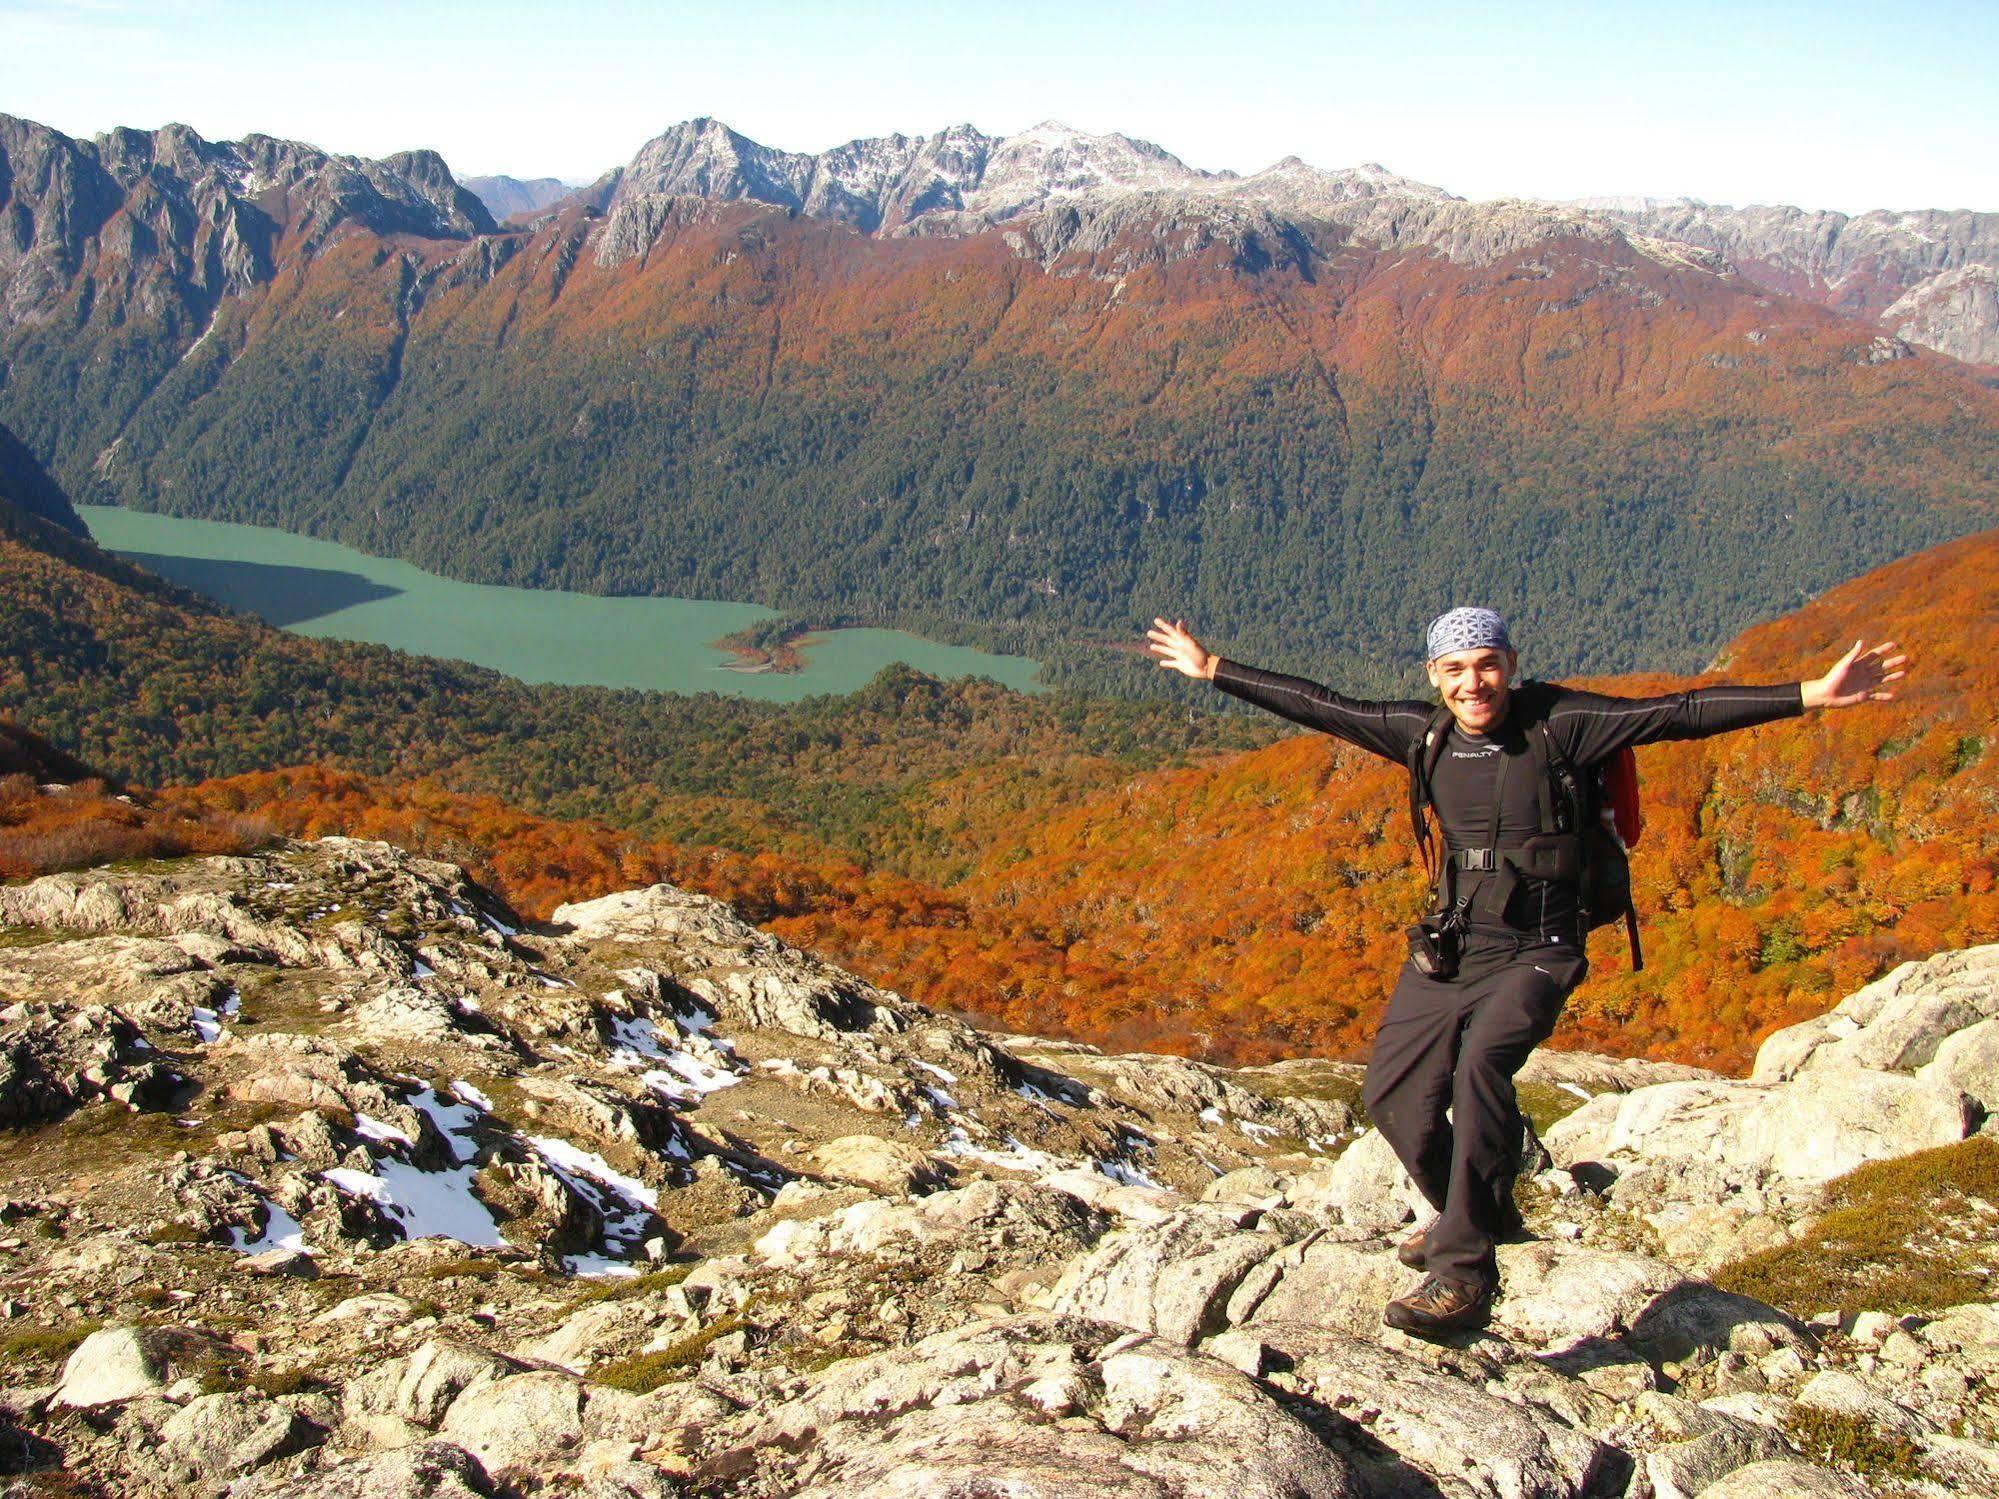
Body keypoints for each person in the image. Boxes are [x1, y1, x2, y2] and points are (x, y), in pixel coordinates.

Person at [1144, 608, 1905, 1336]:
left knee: (1481, 1067)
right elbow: (1320, 704)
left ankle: (1463, 1272)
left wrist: (1810, 695)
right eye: (1454, 669)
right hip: (1452, 944)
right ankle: (1477, 1212)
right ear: (1434, 676)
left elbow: (1678, 711)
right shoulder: (1424, 734)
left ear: (1510, 665)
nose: (1471, 683)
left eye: (1485, 665)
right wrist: (1212, 668)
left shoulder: (1560, 725)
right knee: (1392, 1096)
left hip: (1539, 946)